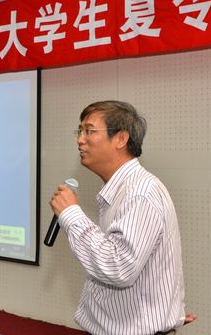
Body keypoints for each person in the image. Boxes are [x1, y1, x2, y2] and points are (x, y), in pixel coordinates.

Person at [50, 100, 187, 335]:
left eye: (89, 131)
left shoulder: (140, 192)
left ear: (121, 139)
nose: (80, 139)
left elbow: (118, 267)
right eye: (79, 131)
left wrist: (72, 214)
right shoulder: (124, 189)